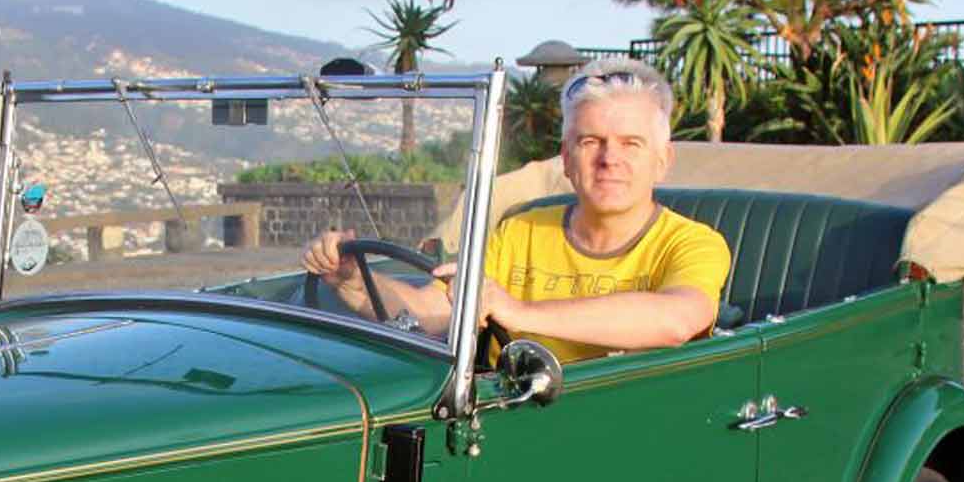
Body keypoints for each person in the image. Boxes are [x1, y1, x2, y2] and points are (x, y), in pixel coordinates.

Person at [302, 58, 731, 362]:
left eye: (630, 144)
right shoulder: (520, 230)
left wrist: (517, 311)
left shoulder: (691, 243)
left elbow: (677, 319)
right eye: (590, 142)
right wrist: (356, 282)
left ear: (663, 160)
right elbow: (434, 312)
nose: (609, 159)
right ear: (565, 158)